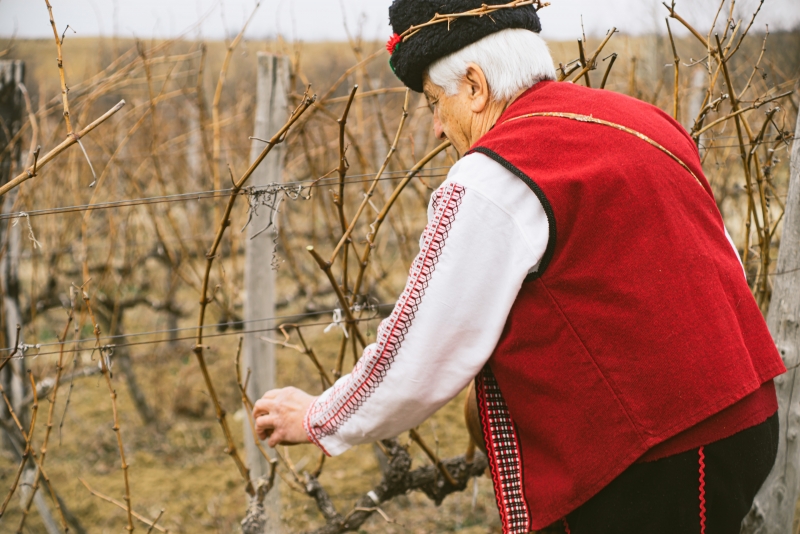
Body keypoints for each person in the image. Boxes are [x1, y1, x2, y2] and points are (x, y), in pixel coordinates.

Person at [253, 1, 786, 532]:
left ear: (475, 85)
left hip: (654, 463)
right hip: (746, 419)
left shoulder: (494, 174)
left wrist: (319, 417)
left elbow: (421, 348)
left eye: (435, 102)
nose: (436, 127)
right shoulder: (645, 121)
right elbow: (719, 263)